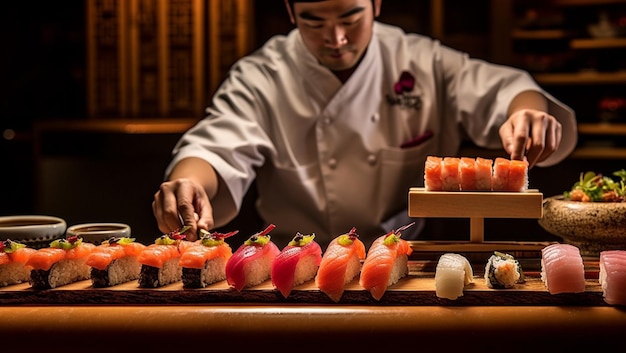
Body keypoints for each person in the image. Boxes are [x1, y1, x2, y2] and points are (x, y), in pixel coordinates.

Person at [152, 0, 577, 248]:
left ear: (376, 4)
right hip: (290, 262)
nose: (335, 39)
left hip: (399, 259)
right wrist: (189, 185)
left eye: (351, 19)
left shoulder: (420, 59)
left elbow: (504, 89)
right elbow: (215, 143)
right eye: (314, 21)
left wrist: (526, 112)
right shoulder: (262, 74)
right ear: (289, 10)